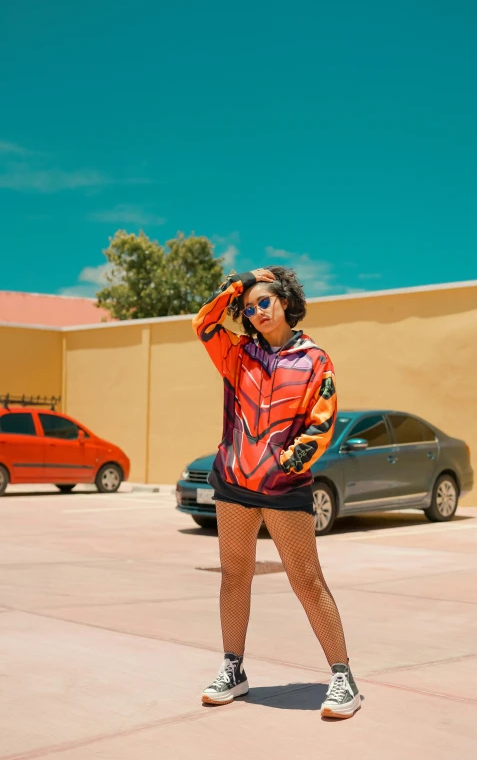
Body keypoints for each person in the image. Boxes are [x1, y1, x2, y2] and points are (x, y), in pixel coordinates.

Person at [192, 266, 360, 720]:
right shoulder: (237, 354)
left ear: (284, 301)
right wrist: (242, 281)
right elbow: (203, 323)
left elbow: (321, 423)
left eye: (264, 301)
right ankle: (233, 669)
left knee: (306, 579)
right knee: (234, 575)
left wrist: (287, 465)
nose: (257, 312)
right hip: (233, 485)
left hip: (284, 487)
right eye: (249, 308)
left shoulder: (314, 359)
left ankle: (343, 677)